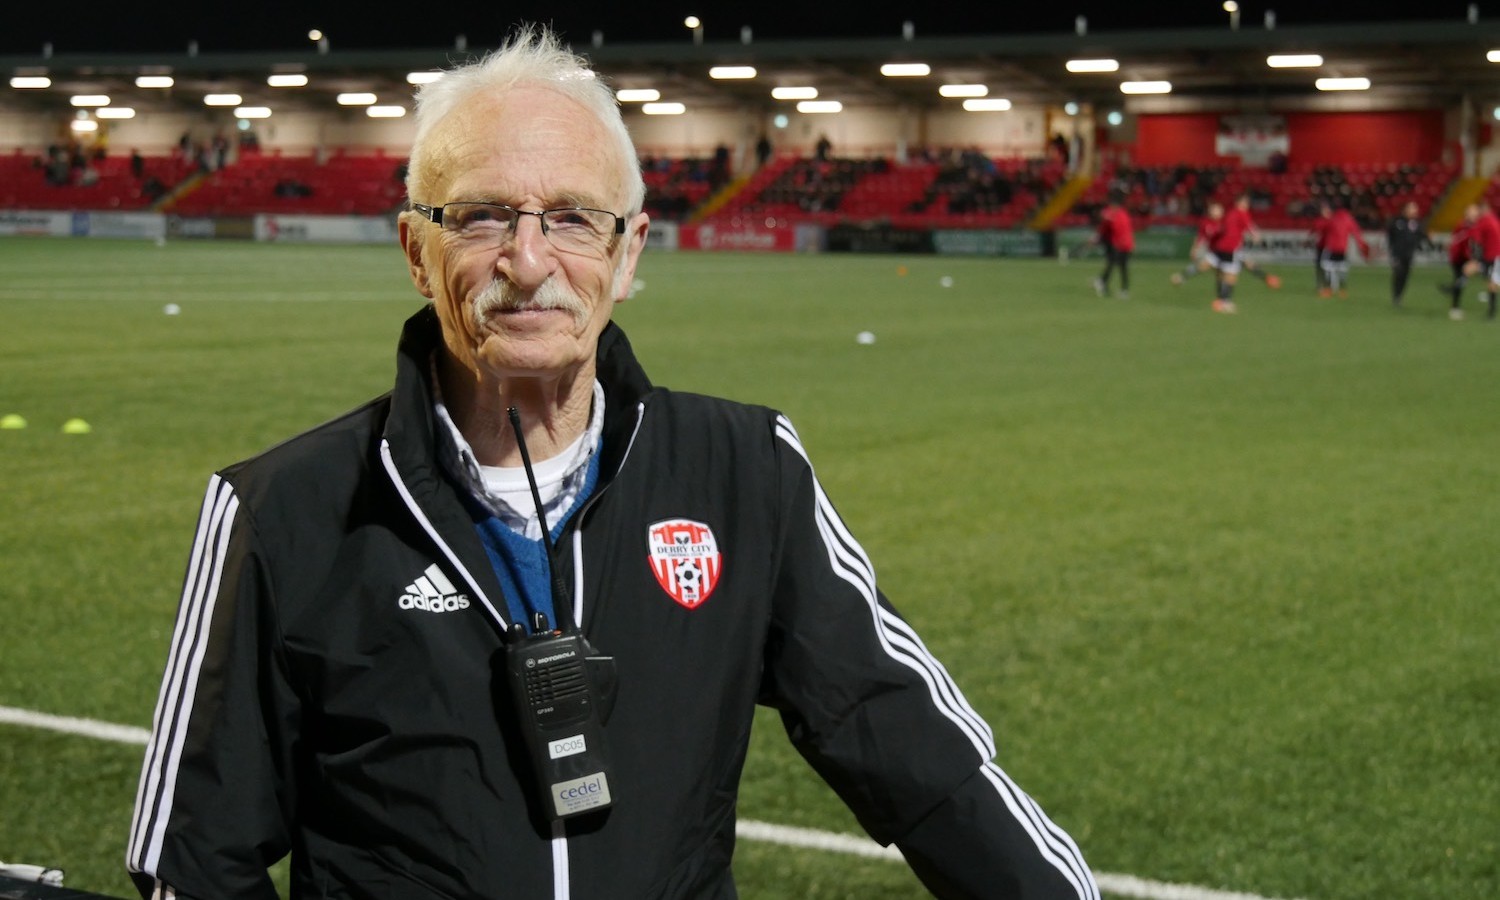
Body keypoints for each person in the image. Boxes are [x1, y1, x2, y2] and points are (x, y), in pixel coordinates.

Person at [125, 28, 1097, 900]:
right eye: (482, 216)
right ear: (417, 252)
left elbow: (921, 759)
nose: (529, 260)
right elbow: (194, 862)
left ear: (629, 255)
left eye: (573, 218)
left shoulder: (746, 473)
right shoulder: (286, 509)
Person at [1317, 200, 1370, 299]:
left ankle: (1328, 289)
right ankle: (1342, 290)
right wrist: (1361, 247)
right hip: (1342, 249)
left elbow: (1321, 229)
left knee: (1327, 268)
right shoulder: (1349, 219)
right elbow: (1357, 234)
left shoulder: (1332, 218)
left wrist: (1323, 217)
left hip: (1331, 248)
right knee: (1342, 269)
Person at [1089, 190, 1134, 298]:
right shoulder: (1123, 213)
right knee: (1121, 266)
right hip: (1127, 243)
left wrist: (1096, 238)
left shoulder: (1111, 213)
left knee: (1114, 264)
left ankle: (1102, 282)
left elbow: (1104, 225)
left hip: (1120, 244)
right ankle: (1122, 290)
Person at [1386, 201, 1431, 307]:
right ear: (1405, 210)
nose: (1415, 211)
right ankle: (1396, 296)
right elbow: (1390, 235)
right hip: (1397, 255)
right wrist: (1392, 249)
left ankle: (1399, 296)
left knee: (1405, 276)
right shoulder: (1397, 222)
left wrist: (1425, 242)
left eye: (1415, 208)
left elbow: (1421, 236)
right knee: (1399, 273)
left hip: (1409, 255)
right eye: (1412, 208)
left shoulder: (1416, 224)